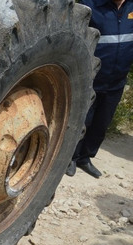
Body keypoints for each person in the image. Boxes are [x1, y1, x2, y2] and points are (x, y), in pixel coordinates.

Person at [67, 0, 133, 178]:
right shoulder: (92, 5)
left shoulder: (131, 8)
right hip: (91, 78)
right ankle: (70, 158)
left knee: (101, 124)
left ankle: (85, 158)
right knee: (82, 120)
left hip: (117, 81)